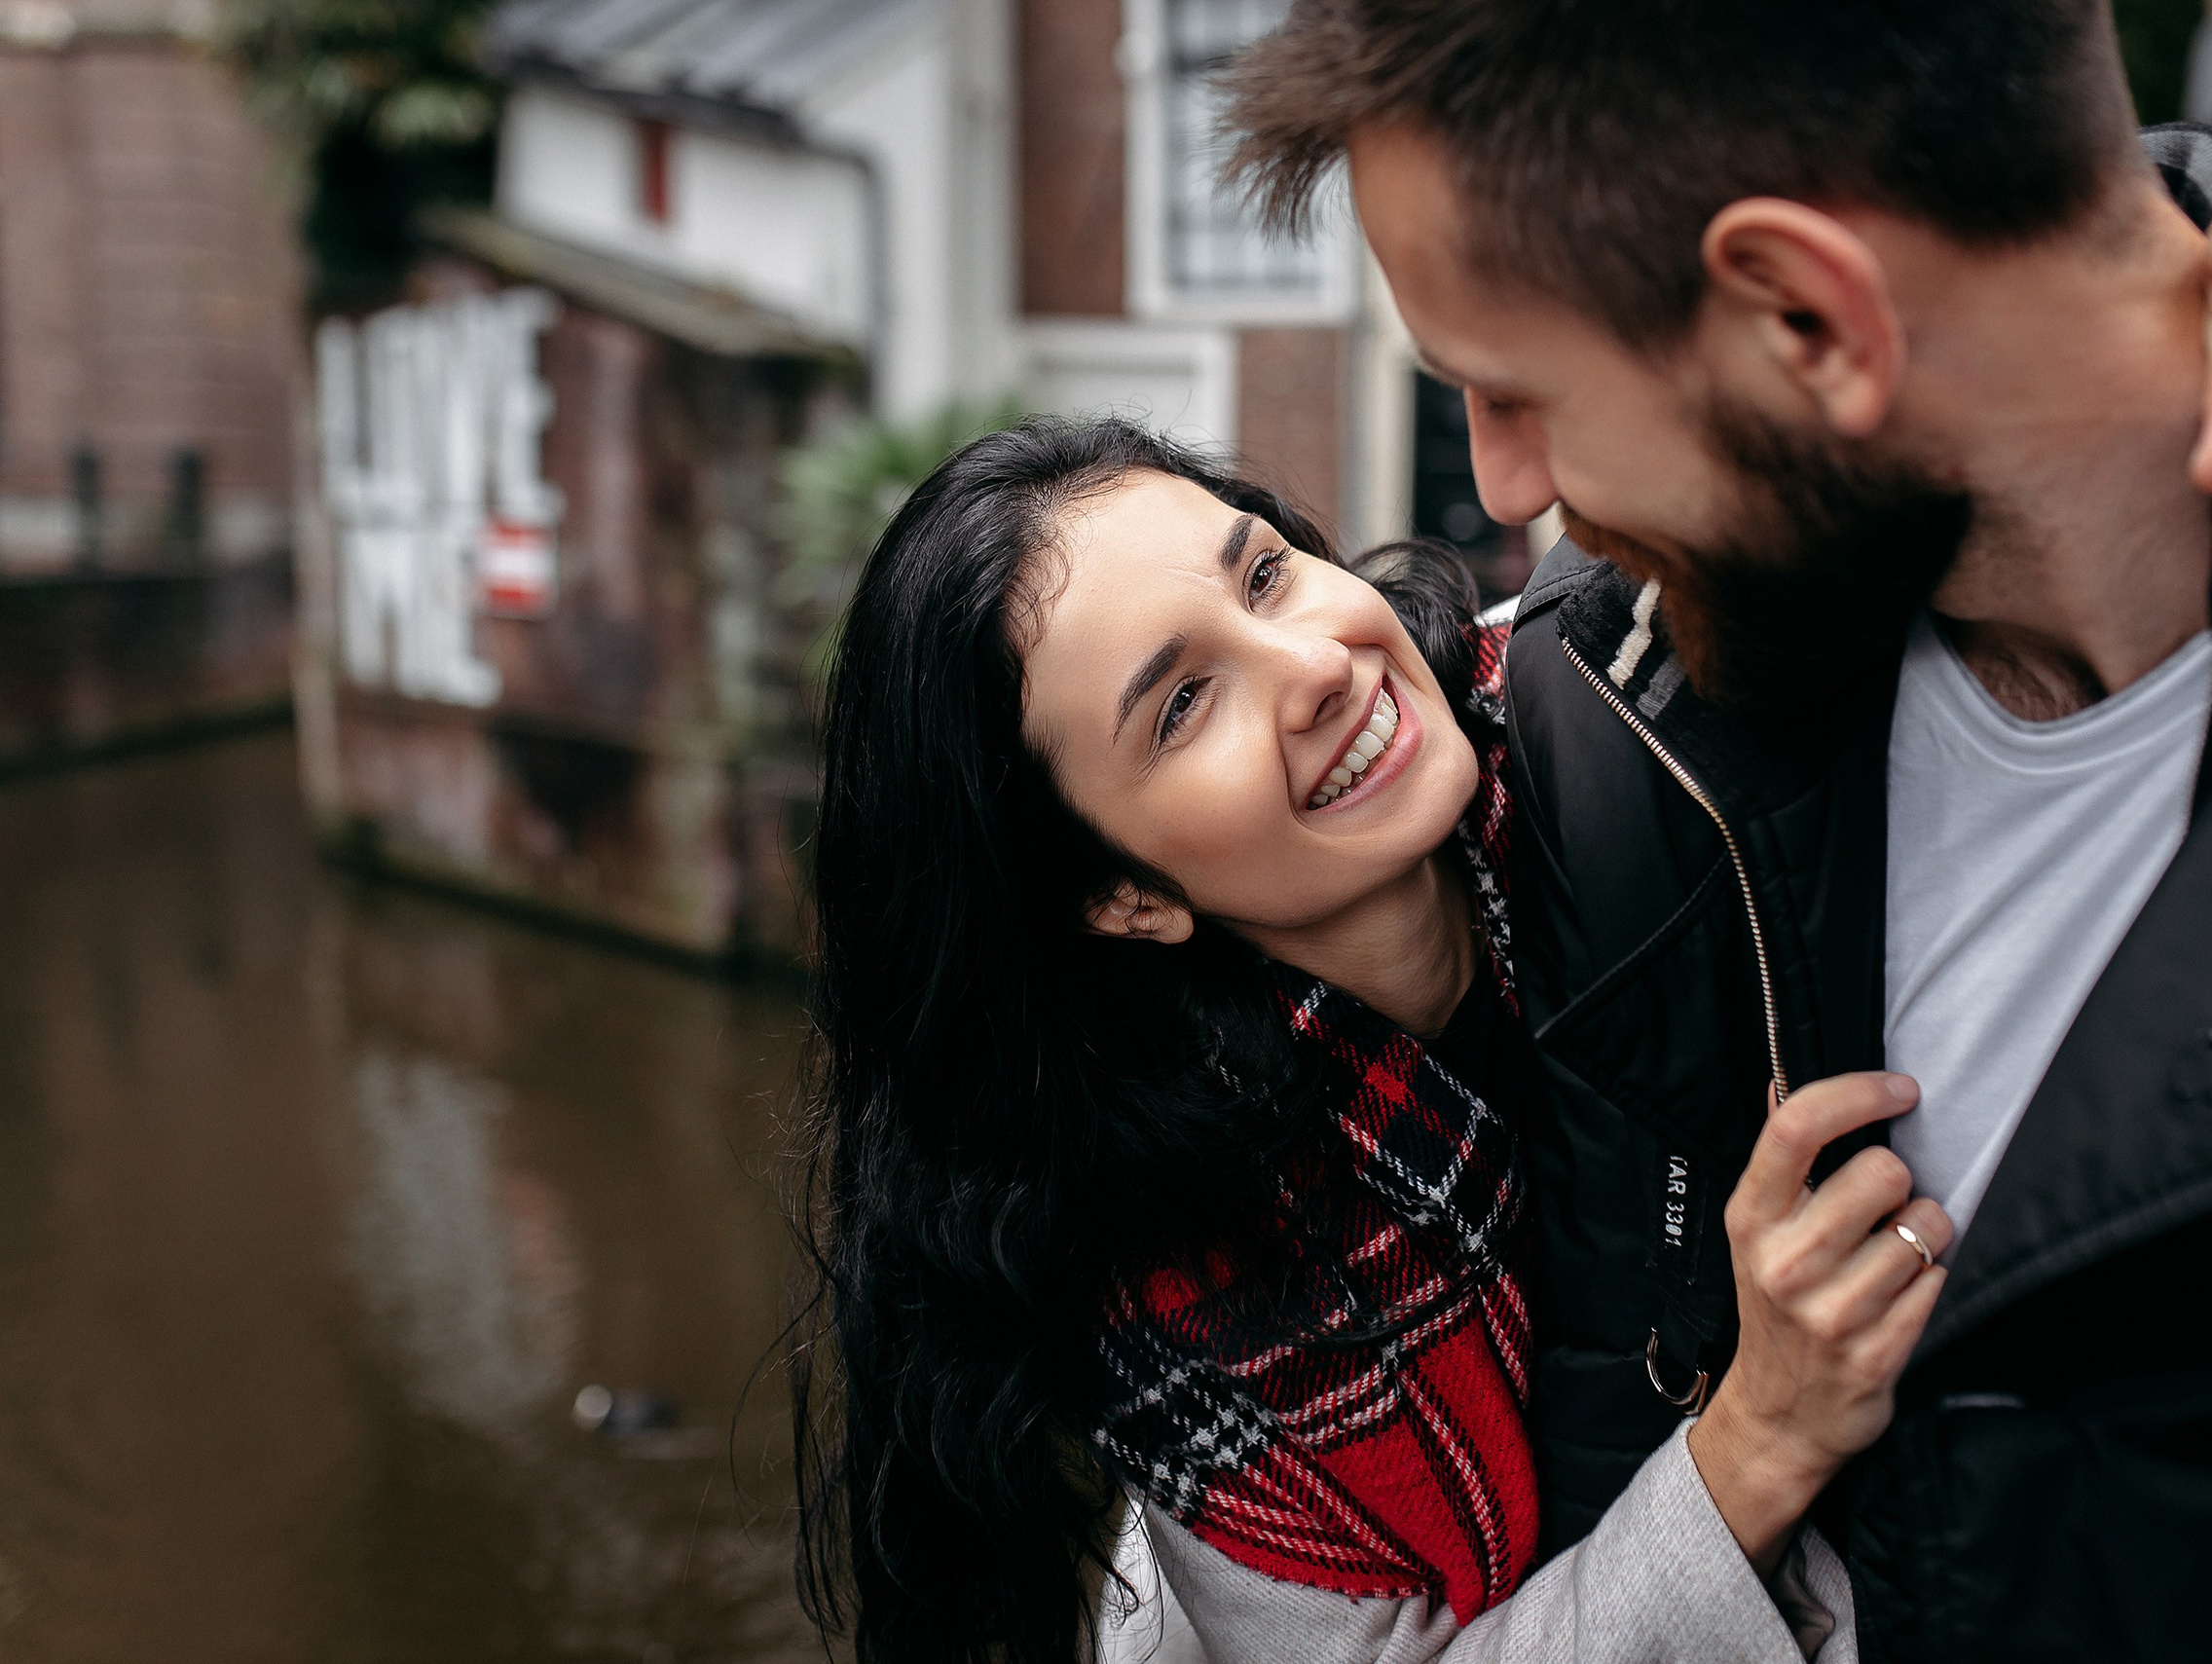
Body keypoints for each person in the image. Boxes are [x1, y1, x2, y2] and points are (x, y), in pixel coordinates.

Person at [1226, 4, 2212, 1658]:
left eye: (1517, 387)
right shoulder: (1615, 716)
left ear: (1808, 317)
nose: (1508, 483)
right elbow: (1616, 1423)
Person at [789, 417, 1948, 1664]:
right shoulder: (1191, 1307)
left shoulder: (1623, 705)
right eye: (1184, 704)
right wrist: (1761, 1440)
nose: (1314, 666)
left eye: (1263, 574)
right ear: (1121, 894)